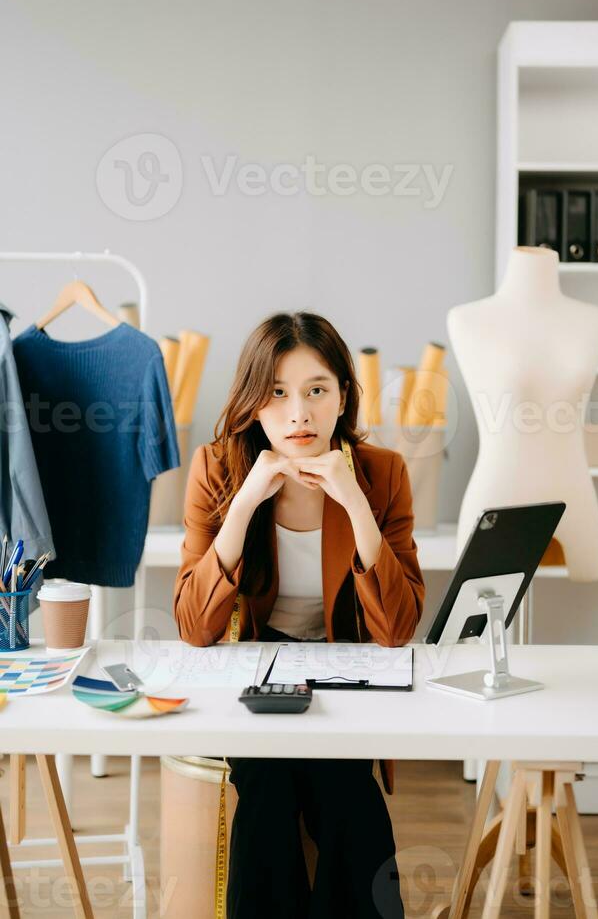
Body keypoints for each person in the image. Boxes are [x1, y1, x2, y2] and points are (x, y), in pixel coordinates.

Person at [173, 311, 426, 918]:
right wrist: (244, 506)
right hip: (254, 681)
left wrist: (354, 501)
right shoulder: (216, 466)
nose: (298, 414)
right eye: (278, 393)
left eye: (317, 390)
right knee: (264, 793)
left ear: (344, 396)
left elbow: (396, 629)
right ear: (253, 405)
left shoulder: (382, 471)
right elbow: (193, 627)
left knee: (350, 799)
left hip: (346, 673)